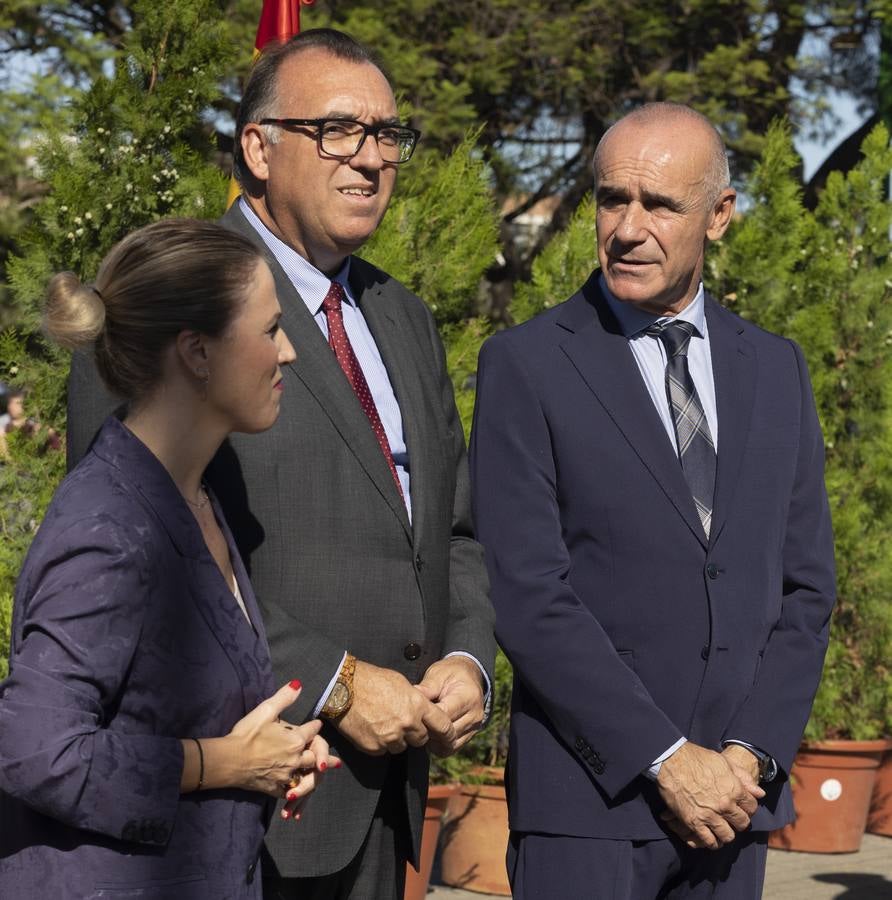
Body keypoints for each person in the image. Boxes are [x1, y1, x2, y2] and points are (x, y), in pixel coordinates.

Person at [66, 29, 496, 900]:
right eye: (337, 130)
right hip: (235, 799)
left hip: (388, 802)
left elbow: (454, 528)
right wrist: (332, 685)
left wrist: (465, 659)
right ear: (258, 148)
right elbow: (136, 557)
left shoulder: (404, 317)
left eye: (387, 135)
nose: (371, 158)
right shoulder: (166, 306)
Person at [470, 103, 836, 899]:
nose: (628, 227)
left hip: (735, 810)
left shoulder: (777, 371)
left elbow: (805, 592)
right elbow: (530, 595)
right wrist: (667, 758)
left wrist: (750, 757)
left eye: (661, 205)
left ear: (721, 217)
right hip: (590, 809)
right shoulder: (525, 367)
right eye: (611, 199)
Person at [0, 219, 339, 899]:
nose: (291, 354)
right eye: (270, 329)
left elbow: (178, 711)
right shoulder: (109, 526)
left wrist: (274, 756)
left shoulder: (197, 499)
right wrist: (223, 763)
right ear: (198, 352)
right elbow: (35, 753)